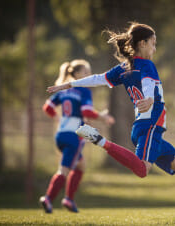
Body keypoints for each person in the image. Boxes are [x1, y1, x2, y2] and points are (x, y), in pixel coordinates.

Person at [47, 23, 175, 221]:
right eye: (153, 43)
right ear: (142, 43)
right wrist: (150, 99)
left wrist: (70, 83)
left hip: (149, 129)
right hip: (150, 126)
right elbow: (148, 84)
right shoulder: (146, 64)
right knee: (142, 170)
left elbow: (99, 79)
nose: (154, 48)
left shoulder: (124, 68)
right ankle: (100, 140)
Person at [40, 59, 115, 213]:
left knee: (81, 166)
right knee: (64, 170)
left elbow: (47, 107)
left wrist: (58, 118)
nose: (89, 75)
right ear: (78, 74)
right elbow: (86, 112)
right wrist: (103, 117)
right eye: (86, 72)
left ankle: (69, 199)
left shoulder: (63, 90)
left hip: (61, 134)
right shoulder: (83, 90)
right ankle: (48, 198)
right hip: (74, 136)